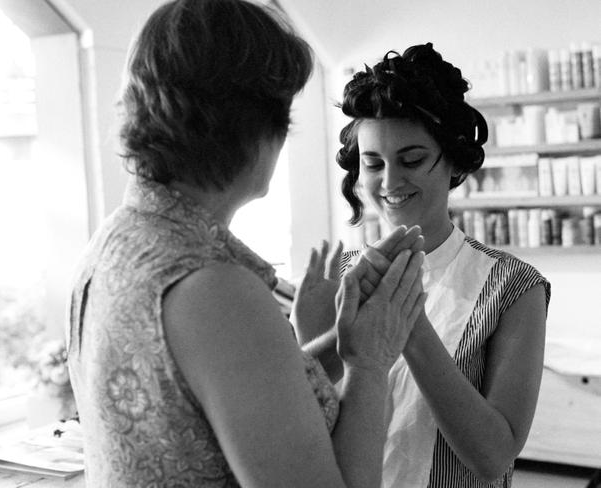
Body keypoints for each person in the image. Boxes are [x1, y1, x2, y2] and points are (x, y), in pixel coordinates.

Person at [66, 1, 426, 487]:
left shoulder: (114, 244)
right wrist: (371, 361)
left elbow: (237, 390)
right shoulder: (216, 292)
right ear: (255, 126)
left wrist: (348, 339)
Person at [296, 43, 551, 487]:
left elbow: (493, 459)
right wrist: (317, 339)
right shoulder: (339, 276)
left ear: (452, 160)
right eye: (372, 163)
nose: (390, 182)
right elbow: (301, 435)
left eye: (412, 160)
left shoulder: (513, 287)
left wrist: (408, 322)